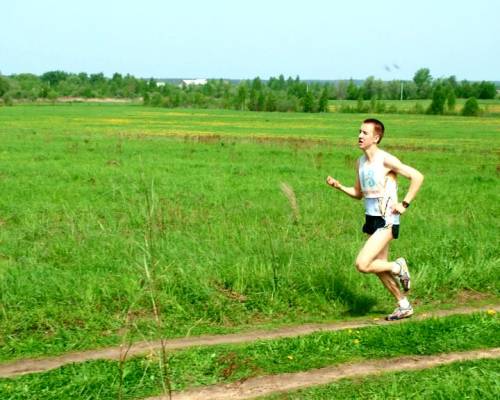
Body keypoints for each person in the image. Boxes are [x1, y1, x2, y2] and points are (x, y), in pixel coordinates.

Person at [326, 118, 424, 320]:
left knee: (363, 264)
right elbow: (358, 193)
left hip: (387, 220)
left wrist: (404, 203)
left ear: (376, 138)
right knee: (379, 267)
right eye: (359, 132)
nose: (359, 136)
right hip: (371, 219)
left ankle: (397, 267)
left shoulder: (386, 159)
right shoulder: (360, 162)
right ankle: (404, 305)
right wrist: (339, 186)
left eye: (365, 133)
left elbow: (417, 177)